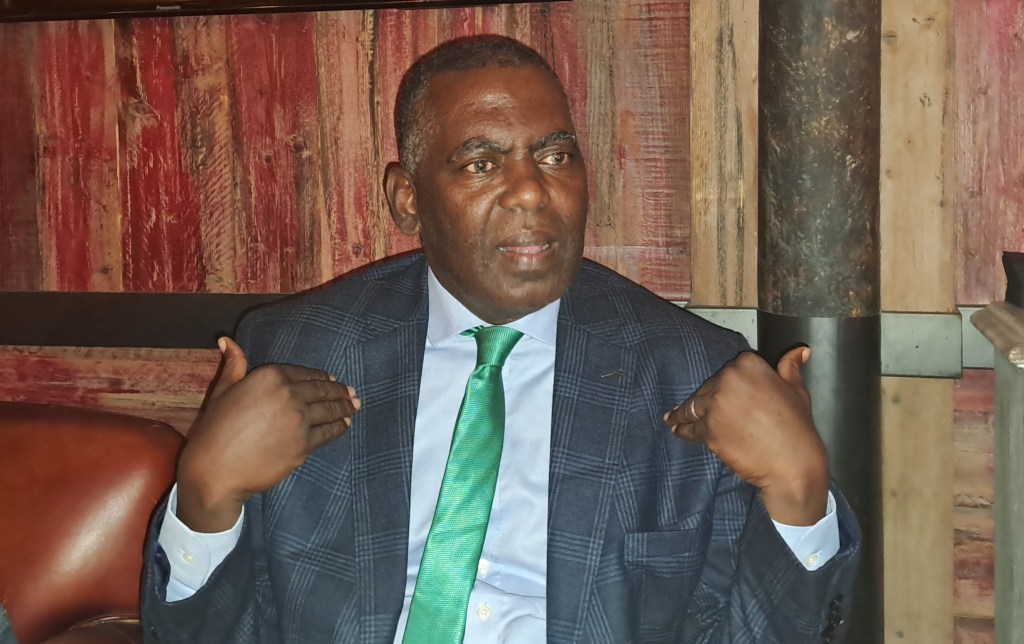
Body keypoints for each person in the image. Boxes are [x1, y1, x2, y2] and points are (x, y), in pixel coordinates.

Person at [141, 35, 859, 643]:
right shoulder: (299, 350)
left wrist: (799, 491)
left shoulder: (693, 374)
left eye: (555, 157)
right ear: (407, 200)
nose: (530, 192)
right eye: (481, 163)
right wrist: (205, 497)